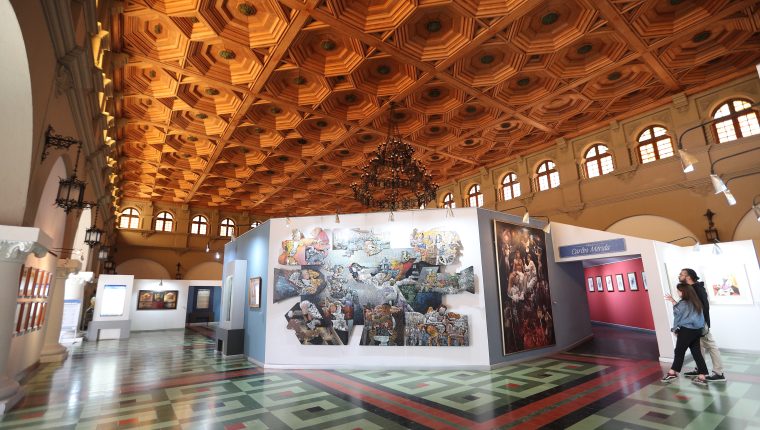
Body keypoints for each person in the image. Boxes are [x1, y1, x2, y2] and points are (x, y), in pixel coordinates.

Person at [680, 268, 727, 382]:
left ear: (688, 277)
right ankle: (700, 368)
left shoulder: (698, 289)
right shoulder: (690, 289)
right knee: (698, 346)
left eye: (681, 274)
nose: (679, 276)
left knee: (711, 345)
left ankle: (719, 373)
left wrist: (702, 324)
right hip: (693, 325)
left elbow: (705, 308)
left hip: (700, 324)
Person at [662, 283, 709, 386]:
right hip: (697, 330)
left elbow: (678, 315)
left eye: (678, 291)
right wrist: (673, 301)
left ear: (683, 292)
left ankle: (672, 373)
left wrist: (675, 329)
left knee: (679, 351)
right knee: (697, 353)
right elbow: (685, 312)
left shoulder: (683, 303)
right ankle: (702, 376)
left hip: (686, 330)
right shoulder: (696, 301)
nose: (677, 292)